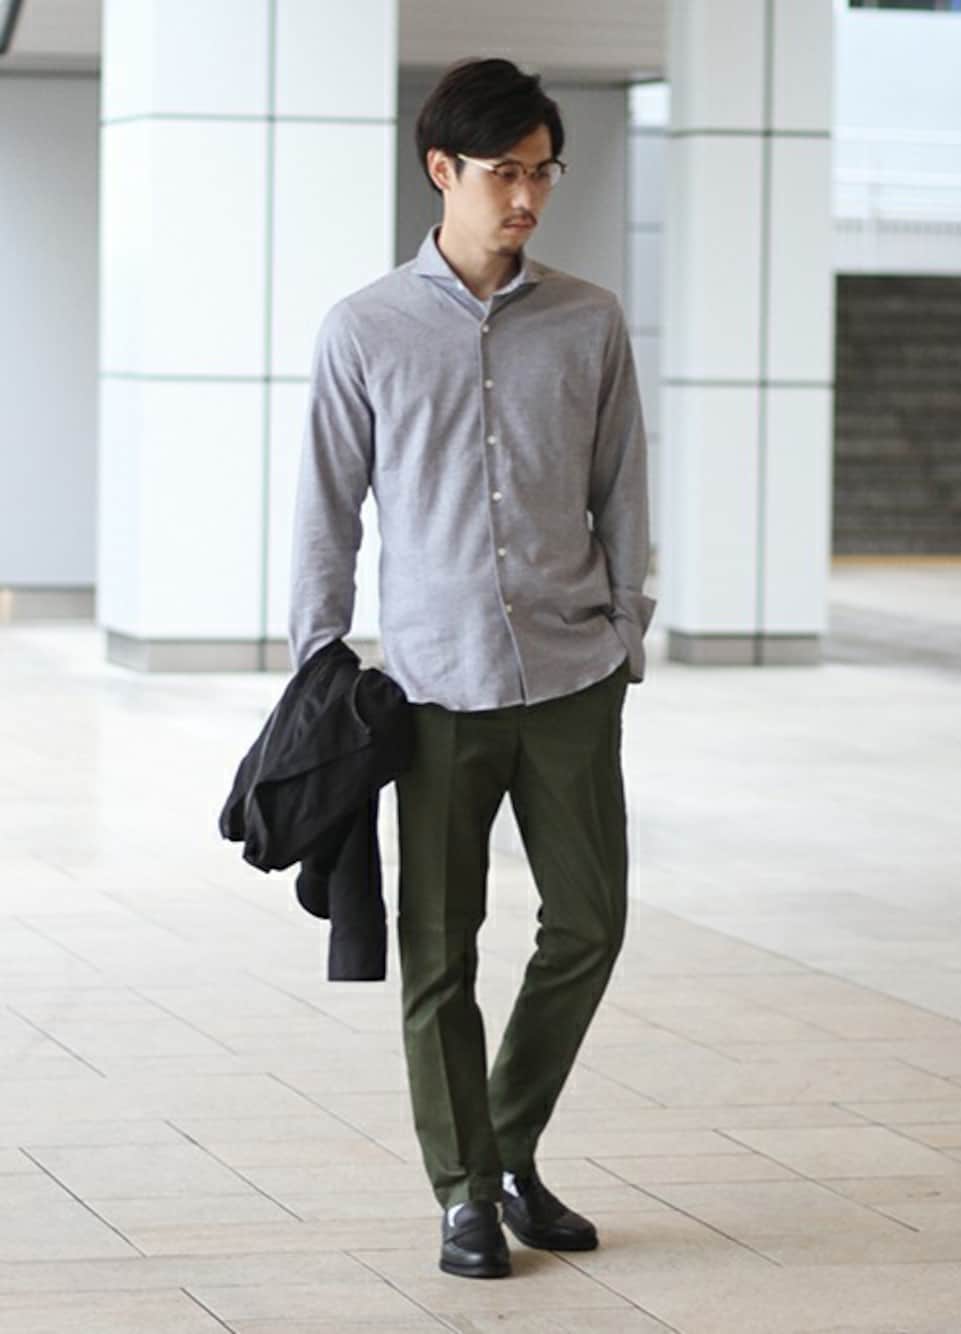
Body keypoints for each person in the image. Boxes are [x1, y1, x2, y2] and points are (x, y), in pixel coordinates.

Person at [289, 56, 655, 1279]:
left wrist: (625, 629)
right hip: (435, 691)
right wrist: (317, 661)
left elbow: (621, 485)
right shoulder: (364, 328)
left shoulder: (590, 320)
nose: (529, 197)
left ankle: (502, 1144)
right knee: (439, 950)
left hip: (570, 674)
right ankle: (464, 1189)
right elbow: (326, 510)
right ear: (442, 169)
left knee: (589, 922)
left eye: (545, 171)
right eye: (506, 172)